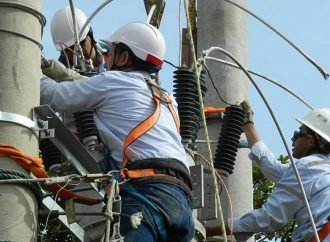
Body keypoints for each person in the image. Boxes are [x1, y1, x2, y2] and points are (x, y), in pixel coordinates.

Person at [40, 21, 194, 242]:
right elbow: (102, 89)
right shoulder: (167, 99)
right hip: (182, 203)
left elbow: (53, 96)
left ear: (124, 57)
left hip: (146, 195)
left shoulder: (113, 82)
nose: (108, 57)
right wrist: (61, 72)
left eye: (112, 52)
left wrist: (25, 63)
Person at [221, 101, 330, 242]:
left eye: (298, 133)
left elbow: (269, 218)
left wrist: (217, 228)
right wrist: (248, 126)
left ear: (310, 141)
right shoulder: (319, 168)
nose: (292, 137)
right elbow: (275, 169)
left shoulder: (307, 168)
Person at [50, 6, 110, 73]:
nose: (76, 52)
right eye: (68, 49)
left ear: (90, 36)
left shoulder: (115, 54)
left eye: (81, 43)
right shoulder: (59, 74)